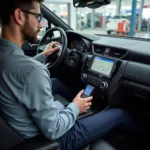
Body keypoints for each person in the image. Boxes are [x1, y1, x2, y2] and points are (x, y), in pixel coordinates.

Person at [0, 0, 135, 150]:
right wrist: (76, 107)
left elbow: (19, 69)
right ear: (19, 16)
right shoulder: (33, 71)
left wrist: (43, 55)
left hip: (17, 128)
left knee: (56, 82)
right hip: (50, 140)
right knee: (120, 114)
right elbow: (54, 130)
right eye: (38, 17)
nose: (41, 24)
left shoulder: (6, 56)